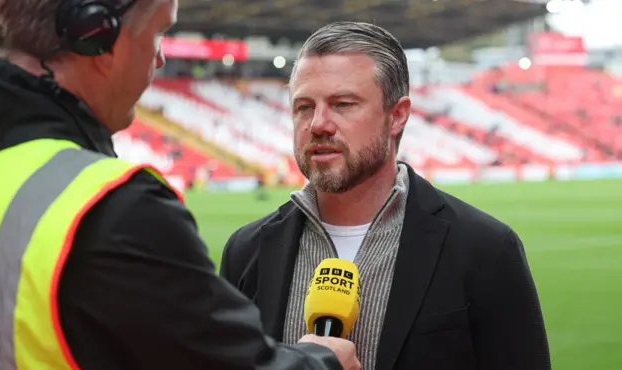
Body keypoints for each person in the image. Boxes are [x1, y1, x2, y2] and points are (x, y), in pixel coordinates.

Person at [0, 1, 361, 369]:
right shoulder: (114, 211)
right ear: (94, 34)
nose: (160, 58)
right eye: (158, 33)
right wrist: (322, 361)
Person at [220, 21, 551, 370]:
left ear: (397, 116)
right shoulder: (247, 251)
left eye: (343, 104)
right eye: (303, 107)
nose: (318, 123)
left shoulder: (485, 249)